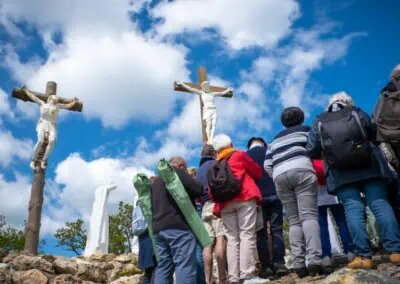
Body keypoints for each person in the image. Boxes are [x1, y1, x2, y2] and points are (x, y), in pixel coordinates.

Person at [307, 92, 400, 269]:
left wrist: (334, 156)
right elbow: (374, 132)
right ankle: (396, 251)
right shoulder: (356, 112)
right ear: (349, 102)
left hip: (341, 172)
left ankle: (364, 256)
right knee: (380, 203)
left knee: (352, 209)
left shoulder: (320, 120)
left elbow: (311, 148)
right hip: (369, 164)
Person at [264, 107, 322, 278]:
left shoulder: (274, 140)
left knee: (294, 220)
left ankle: (298, 264)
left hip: (279, 176)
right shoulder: (306, 131)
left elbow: (267, 164)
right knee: (309, 216)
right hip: (302, 169)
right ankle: (314, 260)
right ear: (301, 118)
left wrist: (276, 175)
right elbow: (316, 149)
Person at [212, 134, 266, 284]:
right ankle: (247, 275)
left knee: (232, 240)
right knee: (247, 234)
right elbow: (257, 172)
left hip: (224, 204)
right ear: (231, 143)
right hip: (244, 197)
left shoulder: (215, 165)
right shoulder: (239, 155)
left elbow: (212, 191)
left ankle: (234, 277)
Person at [151, 156, 203, 284]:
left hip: (158, 229)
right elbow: (198, 189)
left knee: (163, 267)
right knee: (184, 264)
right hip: (178, 227)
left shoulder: (156, 181)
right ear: (180, 166)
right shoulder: (177, 172)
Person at [246, 137, 287, 278]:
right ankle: (279, 263)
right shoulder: (271, 152)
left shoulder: (245, 156)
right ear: (263, 143)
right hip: (275, 194)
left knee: (261, 234)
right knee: (277, 230)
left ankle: (266, 267)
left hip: (257, 199)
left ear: (249, 145)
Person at [196, 144, 228, 284]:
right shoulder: (217, 164)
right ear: (214, 153)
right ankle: (222, 278)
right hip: (217, 205)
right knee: (221, 239)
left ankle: (208, 280)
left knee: (207, 245)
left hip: (204, 208)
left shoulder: (198, 172)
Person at [313, 160, 351, 273]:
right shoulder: (326, 149)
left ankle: (325, 256)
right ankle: (350, 251)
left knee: (322, 225)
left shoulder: (309, 153)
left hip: (317, 194)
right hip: (333, 190)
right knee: (341, 221)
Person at [188, 167, 207, 284]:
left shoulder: (183, 187)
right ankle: (201, 280)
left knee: (190, 250)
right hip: (199, 211)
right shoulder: (196, 184)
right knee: (199, 248)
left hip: (188, 215)